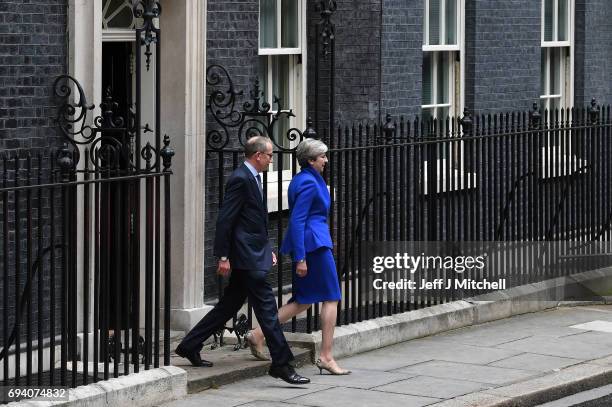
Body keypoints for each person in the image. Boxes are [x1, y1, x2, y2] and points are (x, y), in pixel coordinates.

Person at [175, 136, 310, 385]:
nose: (271, 160)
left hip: (253, 252)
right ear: (258, 155)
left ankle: (189, 345)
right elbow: (226, 219)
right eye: (269, 155)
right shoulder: (240, 179)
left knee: (228, 305)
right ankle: (282, 364)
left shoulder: (253, 178)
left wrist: (266, 247)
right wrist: (224, 255)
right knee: (268, 311)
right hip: (246, 257)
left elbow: (255, 221)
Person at [247, 138, 350, 375]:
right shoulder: (308, 183)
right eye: (322, 156)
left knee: (303, 299)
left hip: (312, 243)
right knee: (332, 296)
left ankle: (257, 334)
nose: (326, 160)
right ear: (311, 160)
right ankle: (325, 356)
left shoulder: (306, 179)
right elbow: (297, 220)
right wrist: (301, 258)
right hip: (314, 246)